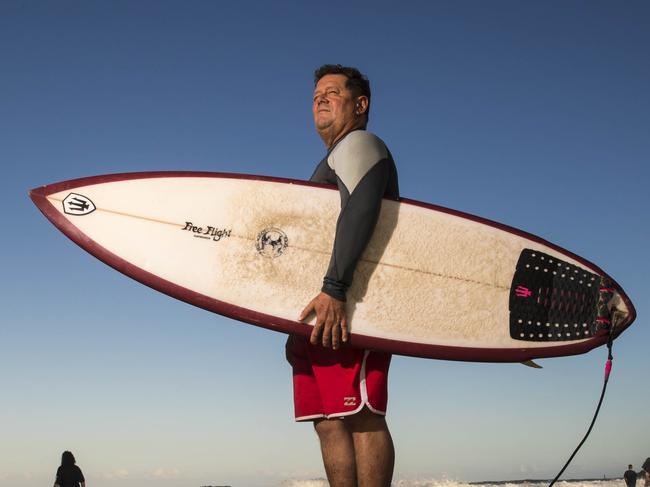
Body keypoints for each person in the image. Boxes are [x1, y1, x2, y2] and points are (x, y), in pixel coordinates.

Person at [286, 64, 399, 487]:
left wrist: (335, 289)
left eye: (333, 92)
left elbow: (363, 207)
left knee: (362, 416)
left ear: (360, 104)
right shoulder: (333, 157)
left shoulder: (361, 143)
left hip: (349, 304)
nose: (320, 98)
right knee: (327, 419)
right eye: (316, 93)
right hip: (318, 313)